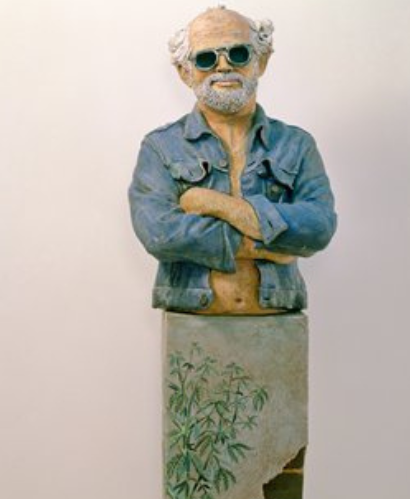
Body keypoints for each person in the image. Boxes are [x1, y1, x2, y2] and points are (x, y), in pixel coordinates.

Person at [129, 6, 336, 315]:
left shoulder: (296, 144)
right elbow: (159, 233)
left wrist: (216, 204)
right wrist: (268, 246)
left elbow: (319, 226)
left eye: (239, 54)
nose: (223, 66)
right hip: (192, 324)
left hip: (279, 324)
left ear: (261, 61)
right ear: (185, 72)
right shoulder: (161, 147)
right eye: (206, 58)